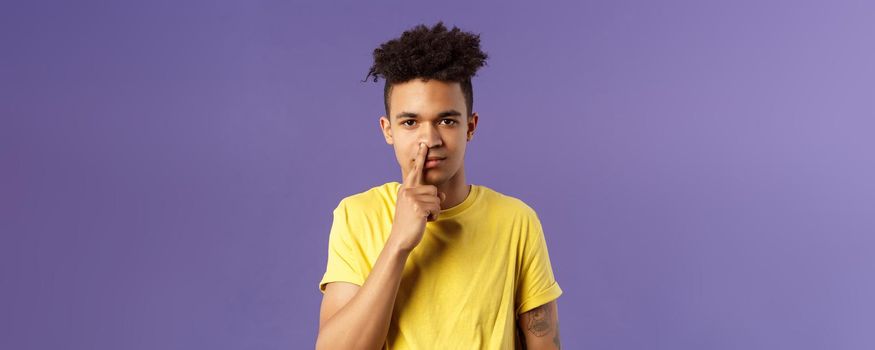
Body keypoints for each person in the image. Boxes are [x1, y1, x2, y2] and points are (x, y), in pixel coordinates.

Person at [316, 22, 563, 349]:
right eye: (410, 122)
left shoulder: (517, 221)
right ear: (388, 130)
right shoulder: (357, 215)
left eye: (446, 121)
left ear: (470, 126)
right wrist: (398, 245)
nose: (429, 140)